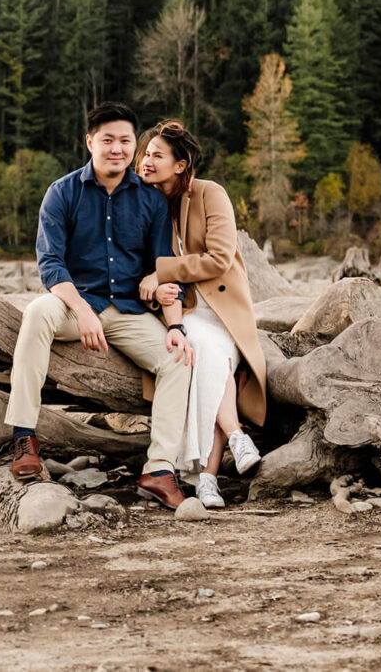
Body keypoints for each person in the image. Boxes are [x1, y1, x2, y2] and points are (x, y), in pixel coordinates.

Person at [5, 102, 195, 510]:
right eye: (107, 140)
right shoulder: (62, 192)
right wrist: (83, 310)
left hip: (128, 311)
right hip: (76, 303)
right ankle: (24, 438)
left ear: (133, 146)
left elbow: (163, 269)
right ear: (90, 142)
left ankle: (159, 469)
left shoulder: (150, 201)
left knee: (178, 357)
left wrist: (176, 326)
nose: (117, 148)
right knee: (37, 313)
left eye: (125, 140)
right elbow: (50, 264)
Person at [136, 119, 267, 508]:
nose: (145, 160)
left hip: (223, 311)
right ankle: (227, 452)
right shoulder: (143, 202)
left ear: (180, 164)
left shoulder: (211, 194)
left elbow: (220, 258)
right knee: (205, 355)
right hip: (183, 312)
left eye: (157, 155)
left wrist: (163, 270)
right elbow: (134, 274)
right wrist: (155, 287)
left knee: (209, 355)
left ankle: (204, 476)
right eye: (145, 154)